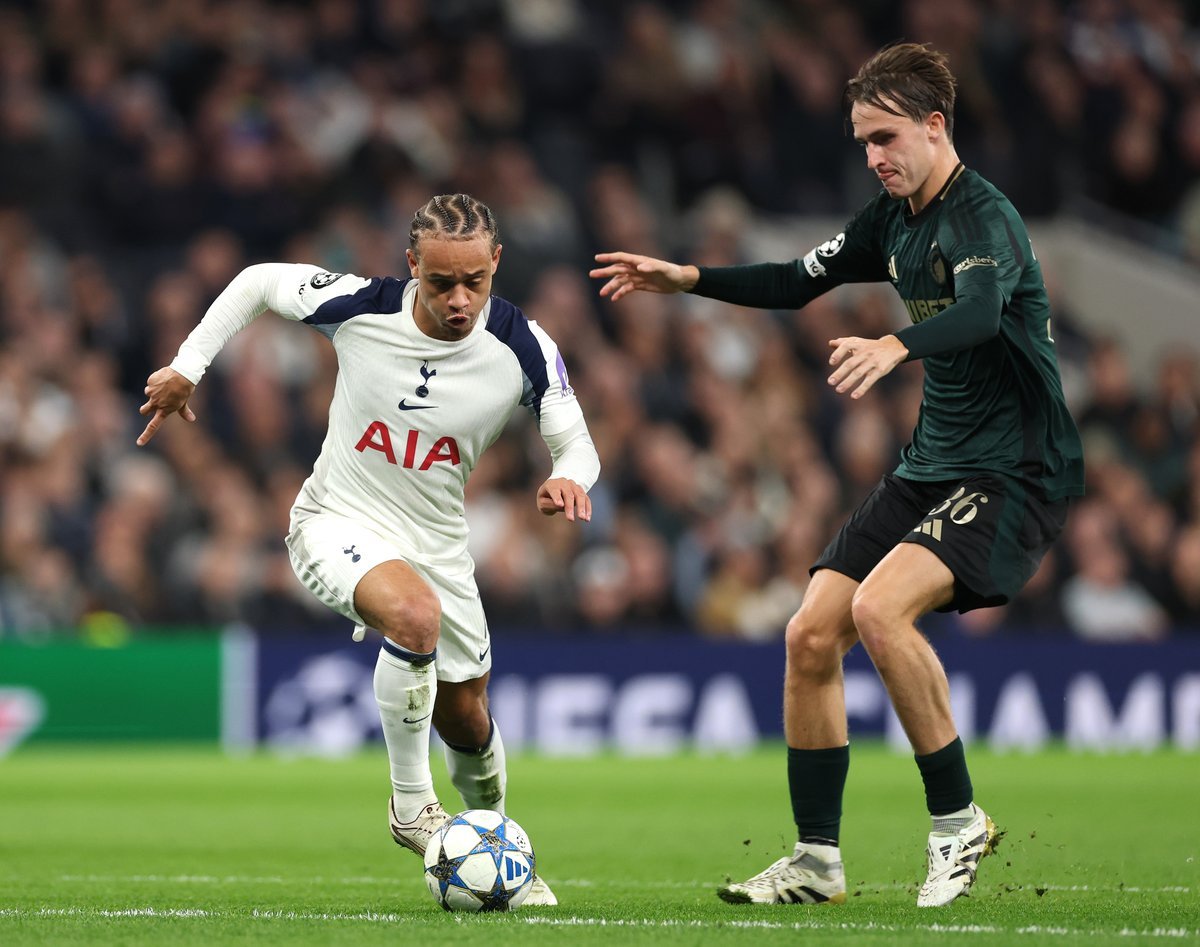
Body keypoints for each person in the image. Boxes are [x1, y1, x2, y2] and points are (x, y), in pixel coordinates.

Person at [590, 43, 1084, 908]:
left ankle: (957, 821)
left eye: (885, 137)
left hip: (1016, 470)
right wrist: (689, 278)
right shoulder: (891, 221)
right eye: (862, 141)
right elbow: (795, 279)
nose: (873, 157)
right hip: (934, 465)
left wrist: (895, 342)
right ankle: (817, 860)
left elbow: (977, 312)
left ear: (935, 127)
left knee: (878, 609)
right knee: (810, 634)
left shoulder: (982, 217)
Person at [139, 193, 600, 908]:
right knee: (412, 616)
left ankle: (495, 843)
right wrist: (188, 364)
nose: (458, 299)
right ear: (412, 264)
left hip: (440, 543)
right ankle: (412, 805)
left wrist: (567, 476)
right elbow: (261, 279)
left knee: (469, 720)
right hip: (334, 519)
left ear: (496, 264)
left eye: (474, 281)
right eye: (441, 281)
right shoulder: (362, 307)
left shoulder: (523, 344)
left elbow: (575, 440)